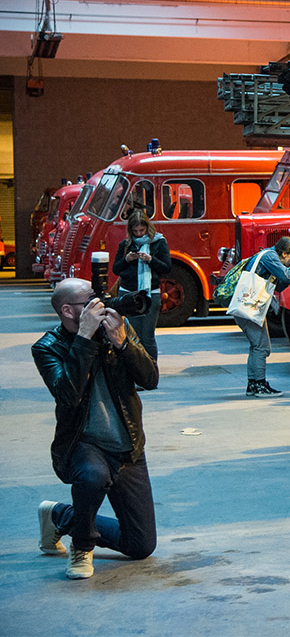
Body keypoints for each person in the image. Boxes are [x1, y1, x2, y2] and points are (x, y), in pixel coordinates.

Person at [32, 277, 159, 580]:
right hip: (83, 442)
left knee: (141, 545)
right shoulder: (47, 347)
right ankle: (81, 546)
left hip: (126, 443)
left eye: (98, 298)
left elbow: (150, 379)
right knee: (93, 476)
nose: (98, 306)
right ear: (67, 310)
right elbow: (68, 395)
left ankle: (60, 515)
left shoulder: (117, 329)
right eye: (89, 301)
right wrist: (84, 339)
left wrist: (123, 344)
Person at [233, 237, 290, 398]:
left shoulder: (267, 255)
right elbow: (285, 276)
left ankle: (253, 384)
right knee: (261, 347)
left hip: (248, 307)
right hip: (249, 308)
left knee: (257, 346)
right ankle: (259, 385)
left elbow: (280, 284)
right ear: (284, 253)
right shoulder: (270, 257)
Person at [111, 211, 170, 361]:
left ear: (148, 228)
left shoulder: (159, 242)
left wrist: (151, 259)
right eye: (135, 231)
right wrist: (126, 259)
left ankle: (151, 370)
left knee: (147, 336)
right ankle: (135, 370)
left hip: (151, 293)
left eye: (141, 230)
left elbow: (166, 268)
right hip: (127, 293)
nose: (138, 234)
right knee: (132, 336)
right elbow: (116, 269)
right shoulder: (125, 245)